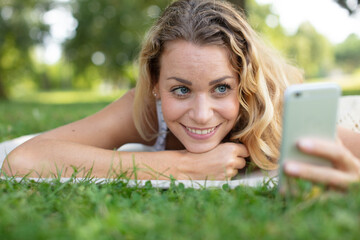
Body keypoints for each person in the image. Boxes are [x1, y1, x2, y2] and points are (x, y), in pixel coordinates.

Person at [2, 0, 360, 189]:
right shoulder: (143, 109)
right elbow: (23, 159)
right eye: (181, 90)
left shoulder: (269, 112)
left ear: (244, 83)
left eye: (221, 88)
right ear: (156, 83)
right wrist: (183, 166)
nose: (202, 114)